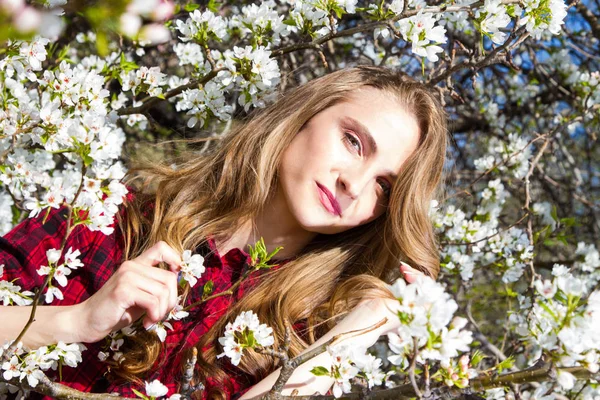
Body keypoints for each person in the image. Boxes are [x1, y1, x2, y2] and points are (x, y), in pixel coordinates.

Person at [0, 65, 447, 399]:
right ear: (304, 115)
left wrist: (349, 340)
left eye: (384, 187)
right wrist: (77, 320)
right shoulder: (111, 216)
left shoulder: (305, 335)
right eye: (353, 141)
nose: (355, 183)